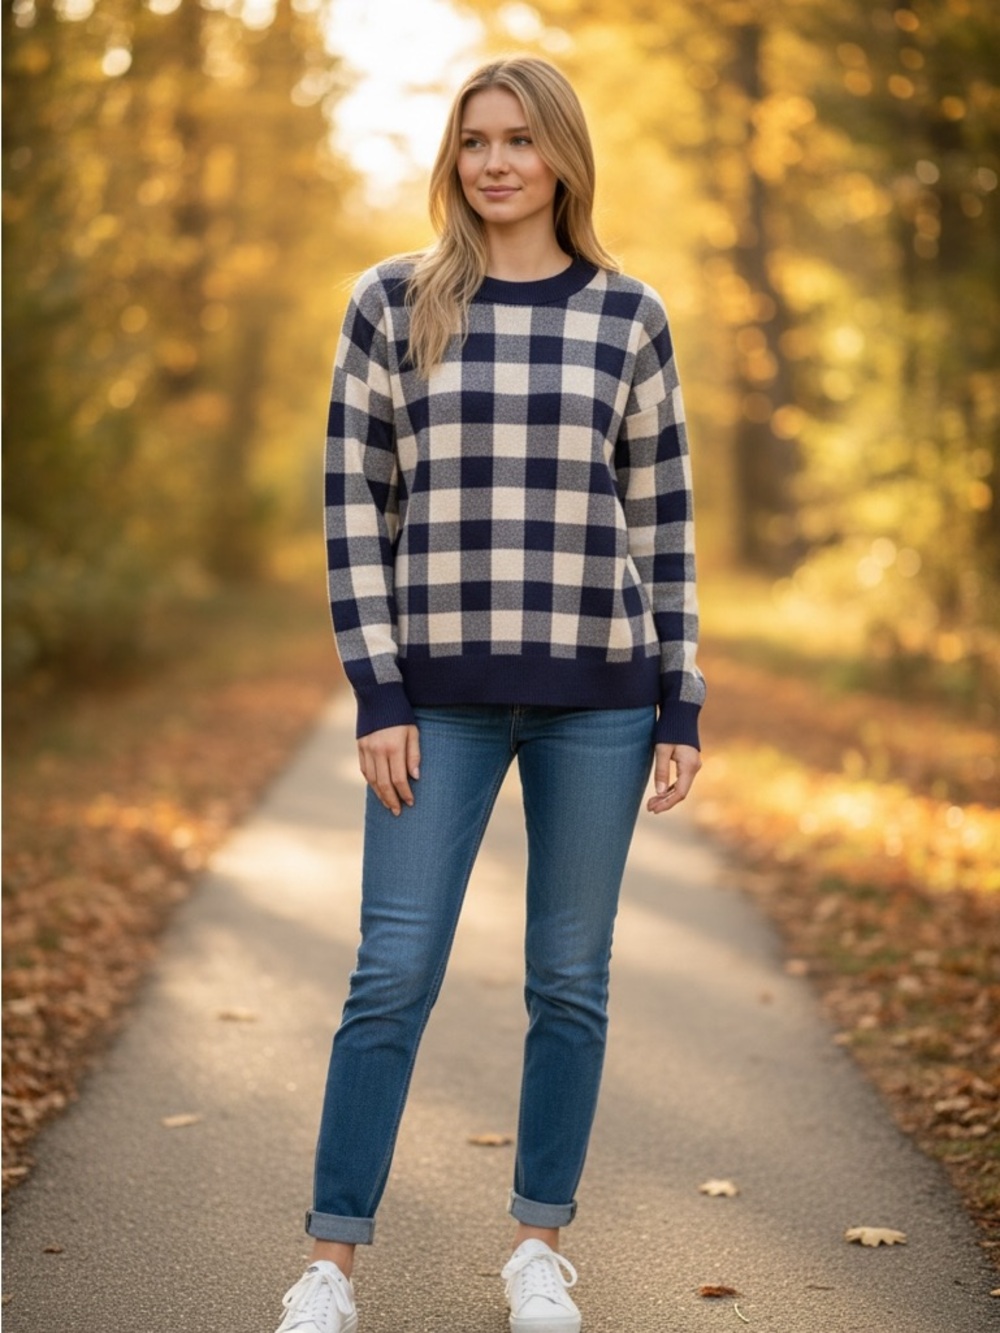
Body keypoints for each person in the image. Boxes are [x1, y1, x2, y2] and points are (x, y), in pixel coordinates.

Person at [274, 54, 705, 1333]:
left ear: (563, 156)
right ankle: (329, 1264)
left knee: (569, 978)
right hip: (437, 701)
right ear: (453, 160)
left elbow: (664, 524)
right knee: (390, 973)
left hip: (602, 697)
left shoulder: (630, 315)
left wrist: (680, 701)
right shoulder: (393, 303)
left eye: (521, 139)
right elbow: (355, 508)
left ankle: (536, 1249)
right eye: (476, 141)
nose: (497, 162)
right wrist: (377, 691)